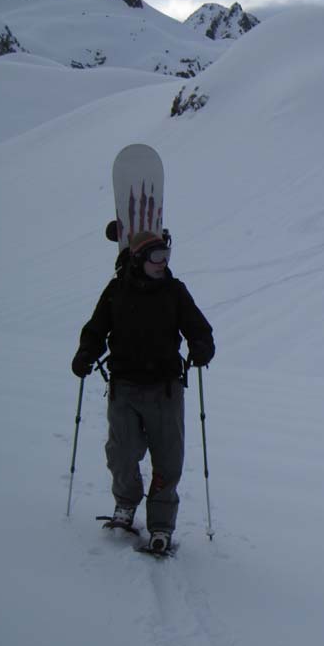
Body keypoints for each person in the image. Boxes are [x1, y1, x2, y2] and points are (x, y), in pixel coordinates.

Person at [71, 230, 214, 553]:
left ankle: (161, 524)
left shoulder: (175, 292)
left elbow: (199, 328)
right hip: (124, 387)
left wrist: (202, 346)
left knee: (168, 460)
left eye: (167, 256)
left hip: (165, 389)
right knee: (121, 454)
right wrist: (85, 354)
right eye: (156, 257)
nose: (163, 263)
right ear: (138, 259)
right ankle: (125, 504)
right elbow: (95, 330)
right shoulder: (116, 291)